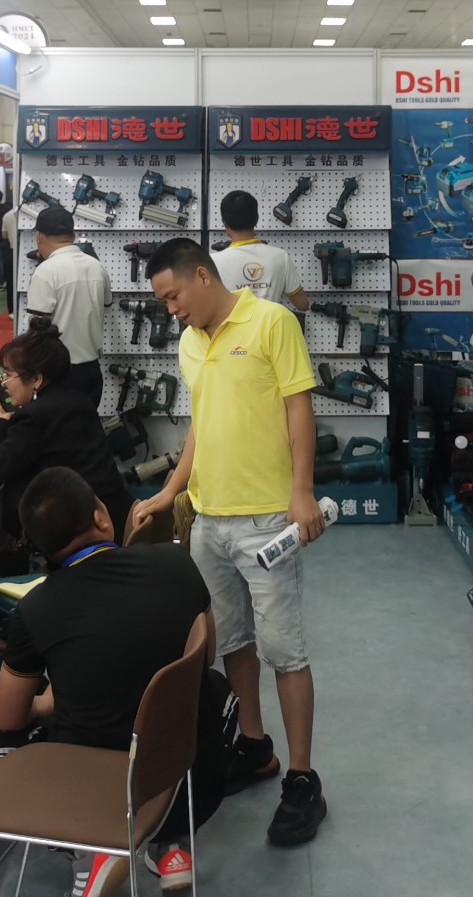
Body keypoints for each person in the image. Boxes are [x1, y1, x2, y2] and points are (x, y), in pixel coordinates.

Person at [132, 239, 328, 848]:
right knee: (234, 642)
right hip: (208, 519)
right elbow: (201, 419)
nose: (171, 310)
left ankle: (303, 779)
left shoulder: (272, 322)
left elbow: (299, 409)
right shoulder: (190, 341)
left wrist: (302, 492)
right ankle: (255, 746)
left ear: (201, 275)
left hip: (267, 519)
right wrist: (172, 490)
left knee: (284, 651)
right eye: (163, 303)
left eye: (173, 296)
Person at [0, 466, 219, 895]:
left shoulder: (35, 610)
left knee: (37, 730)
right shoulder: (177, 562)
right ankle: (173, 846)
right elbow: (206, 653)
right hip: (191, 768)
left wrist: (49, 701)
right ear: (101, 517)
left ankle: (93, 851)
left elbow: (8, 717)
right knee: (212, 690)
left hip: (99, 782)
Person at [0, 325, 130, 544]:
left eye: (8, 374)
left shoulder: (35, 417)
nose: (3, 383)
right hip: (111, 519)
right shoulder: (77, 401)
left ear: (36, 379)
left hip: (81, 535)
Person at [22, 206, 110, 404]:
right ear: (73, 235)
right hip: (92, 371)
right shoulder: (97, 267)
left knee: (57, 424)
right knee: (87, 421)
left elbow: (37, 329)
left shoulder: (46, 271)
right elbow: (106, 304)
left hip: (58, 374)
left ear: (39, 237)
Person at [210, 191, 309, 310]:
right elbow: (303, 304)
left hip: (231, 322)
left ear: (224, 223)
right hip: (271, 322)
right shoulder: (280, 257)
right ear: (256, 219)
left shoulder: (212, 262)